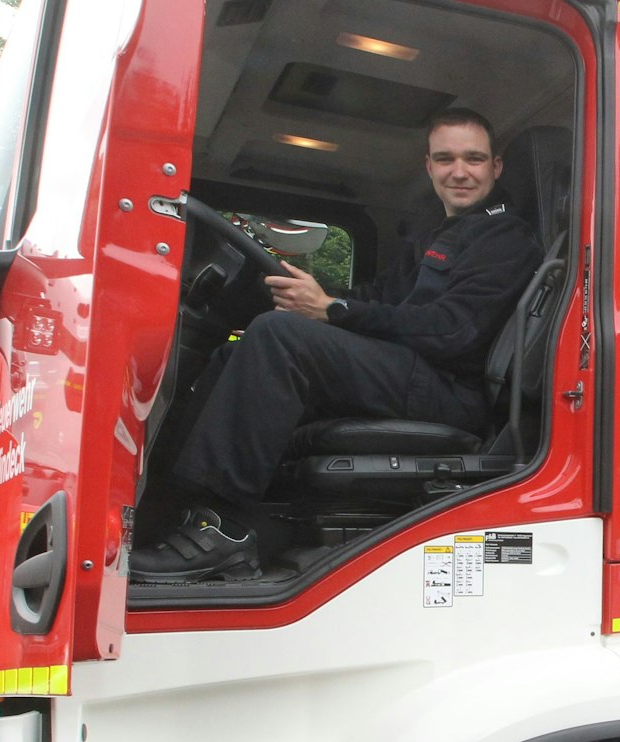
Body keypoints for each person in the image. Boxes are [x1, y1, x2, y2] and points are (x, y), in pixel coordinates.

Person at [132, 107, 542, 581]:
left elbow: (453, 330)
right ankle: (171, 510)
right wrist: (314, 296)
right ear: (428, 166)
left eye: (474, 159)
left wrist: (332, 312)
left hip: (451, 389)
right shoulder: (440, 233)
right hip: (411, 372)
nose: (459, 172)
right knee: (240, 347)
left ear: (496, 167)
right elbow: (379, 299)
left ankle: (226, 531)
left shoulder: (505, 238)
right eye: (446, 159)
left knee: (280, 337)